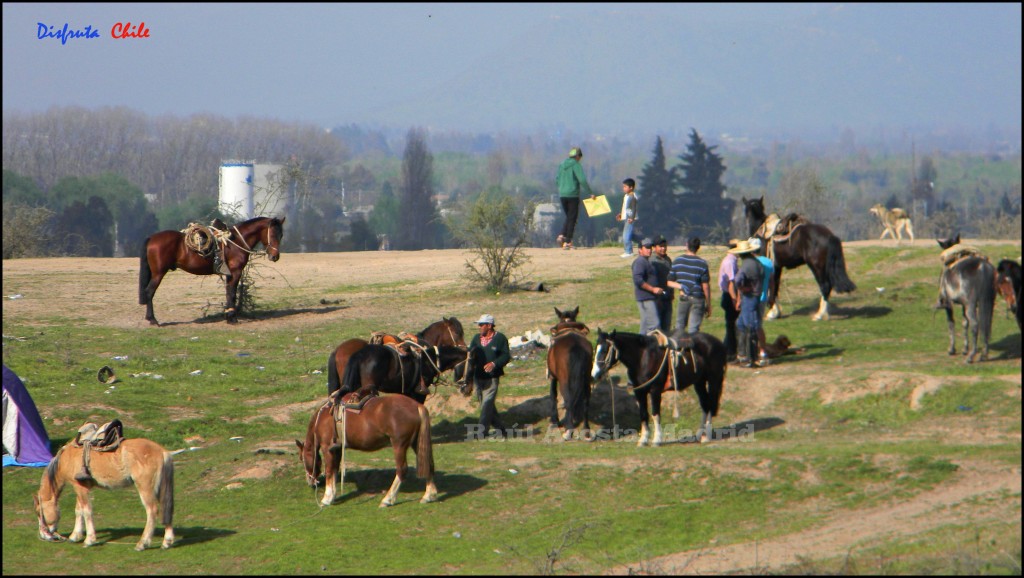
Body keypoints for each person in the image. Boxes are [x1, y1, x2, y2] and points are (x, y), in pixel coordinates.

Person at [468, 314, 511, 438]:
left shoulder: (500, 338)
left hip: (492, 378)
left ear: (489, 325)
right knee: (486, 405)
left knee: (486, 405)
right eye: (479, 325)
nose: (479, 327)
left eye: (481, 325)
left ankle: (481, 432)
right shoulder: (476, 338)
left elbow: (506, 356)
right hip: (478, 377)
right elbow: (470, 353)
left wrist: (494, 363)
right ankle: (501, 430)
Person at [666, 236, 711, 335]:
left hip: (684, 297)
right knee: (693, 329)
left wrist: (680, 286)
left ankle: (678, 349)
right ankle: (692, 349)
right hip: (698, 299)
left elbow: (669, 282)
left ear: (687, 245)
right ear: (698, 248)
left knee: (679, 327)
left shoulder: (678, 261)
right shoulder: (702, 263)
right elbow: (705, 286)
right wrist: (708, 304)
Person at [730, 239, 765, 368]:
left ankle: (750, 359)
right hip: (756, 295)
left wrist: (742, 288)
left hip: (749, 297)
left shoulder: (746, 265)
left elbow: (737, 280)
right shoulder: (757, 262)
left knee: (748, 326)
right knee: (743, 324)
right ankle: (746, 355)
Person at [555, 146, 595, 250]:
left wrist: (562, 188)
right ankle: (568, 242)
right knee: (573, 218)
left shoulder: (562, 165)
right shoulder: (576, 165)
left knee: (569, 216)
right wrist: (590, 192)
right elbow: (582, 179)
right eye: (579, 157)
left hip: (562, 194)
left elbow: (557, 179)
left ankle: (562, 235)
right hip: (573, 194)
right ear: (577, 156)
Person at [632, 238, 666, 335]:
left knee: (645, 325)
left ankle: (640, 347)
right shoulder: (640, 262)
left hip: (649, 297)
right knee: (654, 324)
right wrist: (653, 289)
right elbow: (638, 280)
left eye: (650, 247)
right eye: (646, 248)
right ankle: (649, 347)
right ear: (640, 250)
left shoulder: (647, 261)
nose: (649, 250)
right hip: (645, 298)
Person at [718, 239, 741, 361]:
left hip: (728, 295)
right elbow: (731, 283)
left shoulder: (731, 260)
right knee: (732, 325)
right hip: (729, 295)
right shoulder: (730, 262)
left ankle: (728, 348)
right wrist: (734, 300)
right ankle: (731, 351)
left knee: (730, 325)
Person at [754, 243, 776, 367]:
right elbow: (772, 281)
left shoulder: (751, 262)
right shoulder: (768, 262)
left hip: (753, 297)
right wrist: (771, 295)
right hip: (763, 297)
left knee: (752, 326)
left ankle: (759, 350)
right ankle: (762, 349)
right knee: (759, 325)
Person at [650, 235, 674, 332]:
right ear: (654, 247)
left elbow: (671, 278)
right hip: (656, 298)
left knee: (667, 326)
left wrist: (672, 293)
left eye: (664, 246)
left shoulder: (668, 260)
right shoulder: (651, 261)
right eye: (660, 246)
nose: (663, 248)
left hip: (667, 297)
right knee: (657, 328)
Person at [616, 178, 638, 258]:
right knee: (629, 234)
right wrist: (621, 214)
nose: (623, 188)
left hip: (630, 219)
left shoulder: (632, 196)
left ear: (631, 187)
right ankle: (644, 242)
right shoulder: (626, 196)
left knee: (626, 235)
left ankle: (628, 251)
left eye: (625, 187)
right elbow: (625, 207)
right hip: (626, 217)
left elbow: (634, 208)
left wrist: (631, 218)